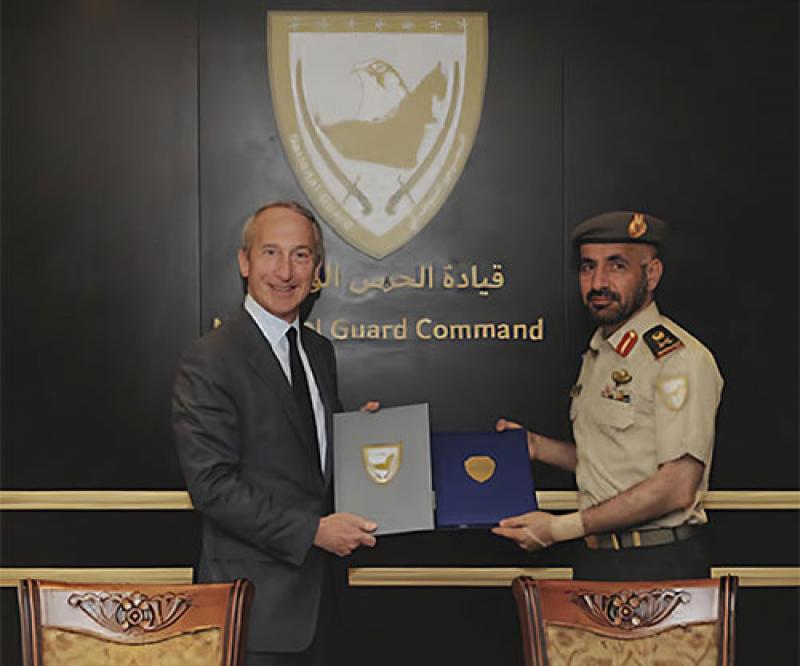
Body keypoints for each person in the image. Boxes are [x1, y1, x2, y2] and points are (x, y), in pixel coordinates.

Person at [172, 201, 378, 666]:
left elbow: (305, 459)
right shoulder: (210, 359)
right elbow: (212, 487)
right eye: (271, 253)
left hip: (325, 603)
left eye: (300, 255)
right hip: (256, 611)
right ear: (244, 262)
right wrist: (313, 532)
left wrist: (354, 440)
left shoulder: (318, 352)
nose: (285, 271)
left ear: (317, 269)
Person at [493, 211, 723, 580]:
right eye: (588, 267)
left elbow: (677, 487)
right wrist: (536, 447)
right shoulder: (601, 353)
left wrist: (559, 528)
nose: (599, 282)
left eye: (617, 266)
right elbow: (613, 459)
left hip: (657, 563)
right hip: (598, 559)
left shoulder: (677, 358)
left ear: (651, 275)